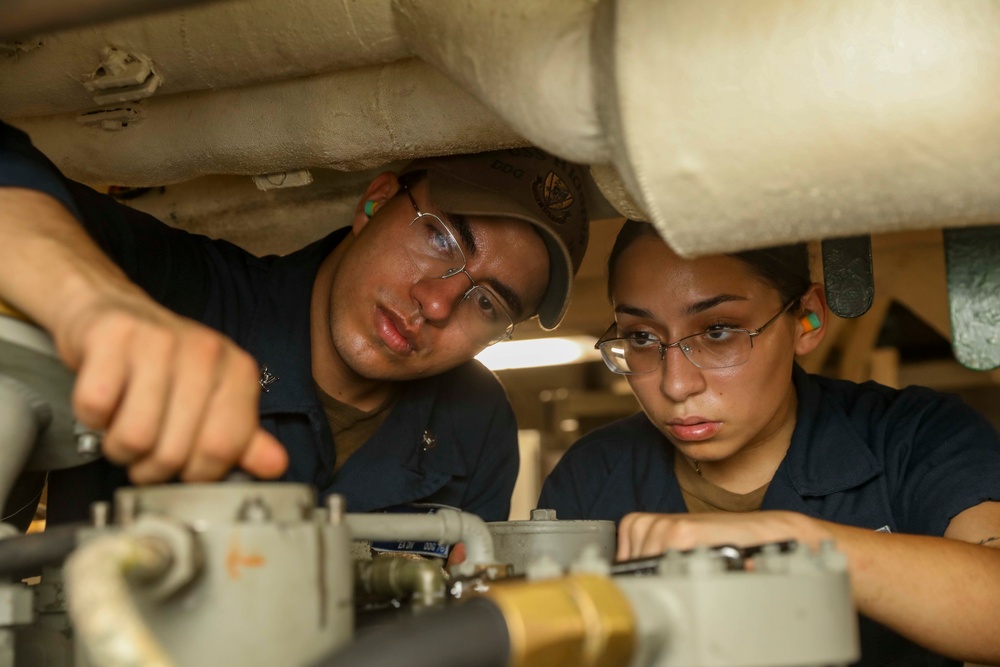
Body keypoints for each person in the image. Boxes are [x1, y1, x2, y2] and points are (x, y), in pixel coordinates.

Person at [0, 119, 590, 525]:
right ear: (374, 201)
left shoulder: (477, 421)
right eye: (439, 236)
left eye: (488, 303)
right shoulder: (181, 289)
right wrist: (92, 301)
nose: (436, 304)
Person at [538, 219, 1000, 665]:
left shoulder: (914, 435)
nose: (676, 385)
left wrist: (795, 543)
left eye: (718, 331)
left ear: (808, 318)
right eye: (641, 336)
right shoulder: (594, 474)